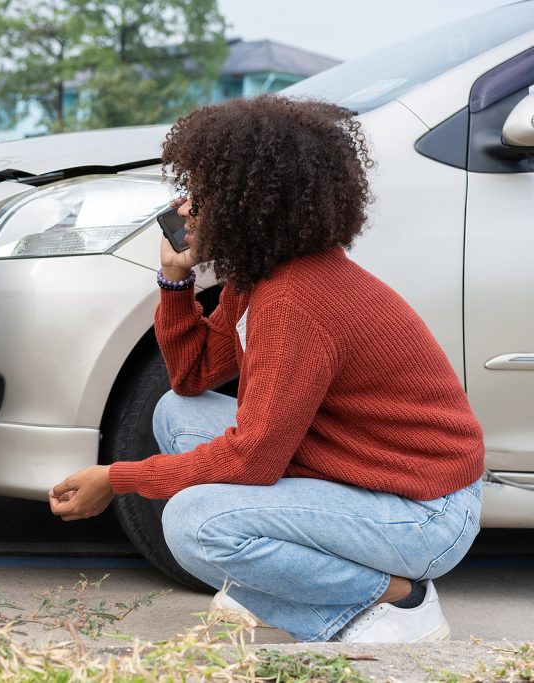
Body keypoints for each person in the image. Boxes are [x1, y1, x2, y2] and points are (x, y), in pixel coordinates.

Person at [47, 94, 484, 643]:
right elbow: (192, 377)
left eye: (203, 194)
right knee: (175, 412)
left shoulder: (297, 300)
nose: (187, 208)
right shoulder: (262, 279)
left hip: (425, 514)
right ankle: (303, 586)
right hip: (368, 476)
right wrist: (176, 281)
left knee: (194, 524)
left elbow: (254, 458)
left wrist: (118, 478)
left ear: (248, 204)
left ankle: (397, 602)